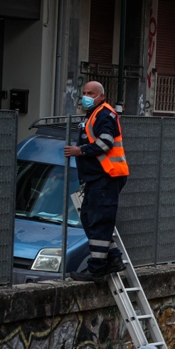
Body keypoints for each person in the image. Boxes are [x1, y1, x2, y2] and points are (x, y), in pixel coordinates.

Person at [64, 80, 128, 282]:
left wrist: (80, 150)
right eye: (84, 92)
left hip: (107, 176)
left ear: (101, 96)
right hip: (98, 178)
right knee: (89, 219)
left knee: (99, 221)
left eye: (90, 93)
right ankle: (114, 258)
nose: (86, 96)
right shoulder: (93, 115)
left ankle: (97, 268)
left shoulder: (104, 114)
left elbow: (106, 143)